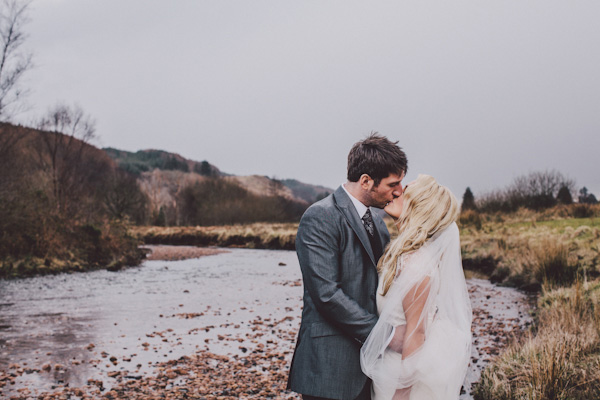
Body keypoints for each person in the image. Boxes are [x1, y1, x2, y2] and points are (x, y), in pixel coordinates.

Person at [287, 134, 408, 400]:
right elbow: (326, 294)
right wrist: (385, 336)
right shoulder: (320, 216)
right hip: (330, 366)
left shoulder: (379, 224)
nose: (399, 191)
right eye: (393, 183)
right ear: (366, 180)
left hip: (370, 368)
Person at [360, 174, 472, 400]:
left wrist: (401, 394)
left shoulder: (415, 263)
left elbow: (416, 333)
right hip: (391, 369)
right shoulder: (406, 255)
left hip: (402, 380)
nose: (397, 192)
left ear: (419, 206)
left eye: (405, 191)